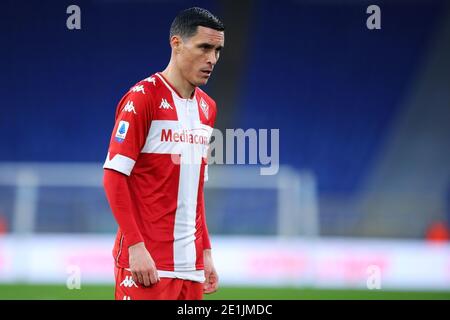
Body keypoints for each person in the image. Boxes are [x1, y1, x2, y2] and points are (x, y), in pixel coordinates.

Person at [102, 7, 224, 300]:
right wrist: (135, 246)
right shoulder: (144, 98)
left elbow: (195, 193)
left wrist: (205, 251)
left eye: (218, 50)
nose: (212, 59)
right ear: (177, 43)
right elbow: (114, 176)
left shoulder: (208, 108)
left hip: (190, 267)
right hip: (148, 264)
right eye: (204, 47)